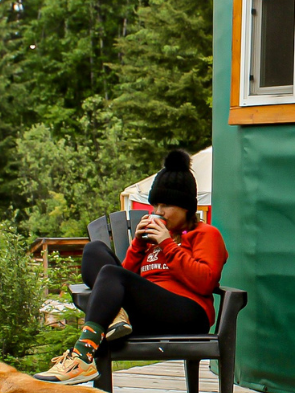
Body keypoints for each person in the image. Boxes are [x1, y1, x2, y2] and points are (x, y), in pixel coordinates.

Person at [35, 149, 227, 385]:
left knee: (111, 273)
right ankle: (115, 319)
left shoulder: (205, 234)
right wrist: (138, 244)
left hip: (188, 312)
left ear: (186, 206)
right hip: (147, 313)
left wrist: (167, 243)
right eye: (155, 205)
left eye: (165, 205)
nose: (158, 212)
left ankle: (82, 356)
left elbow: (205, 282)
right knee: (94, 250)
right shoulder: (151, 240)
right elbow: (120, 279)